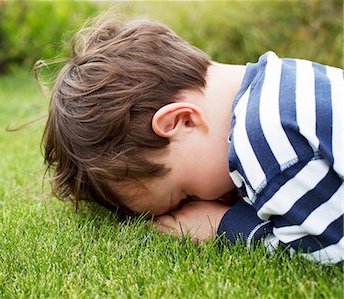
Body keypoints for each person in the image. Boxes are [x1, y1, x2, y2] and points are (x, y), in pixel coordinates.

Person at [39, 15, 343, 264]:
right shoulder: (283, 78)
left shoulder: (266, 143)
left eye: (186, 195)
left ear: (182, 121)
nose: (206, 202)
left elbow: (330, 249)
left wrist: (228, 225)